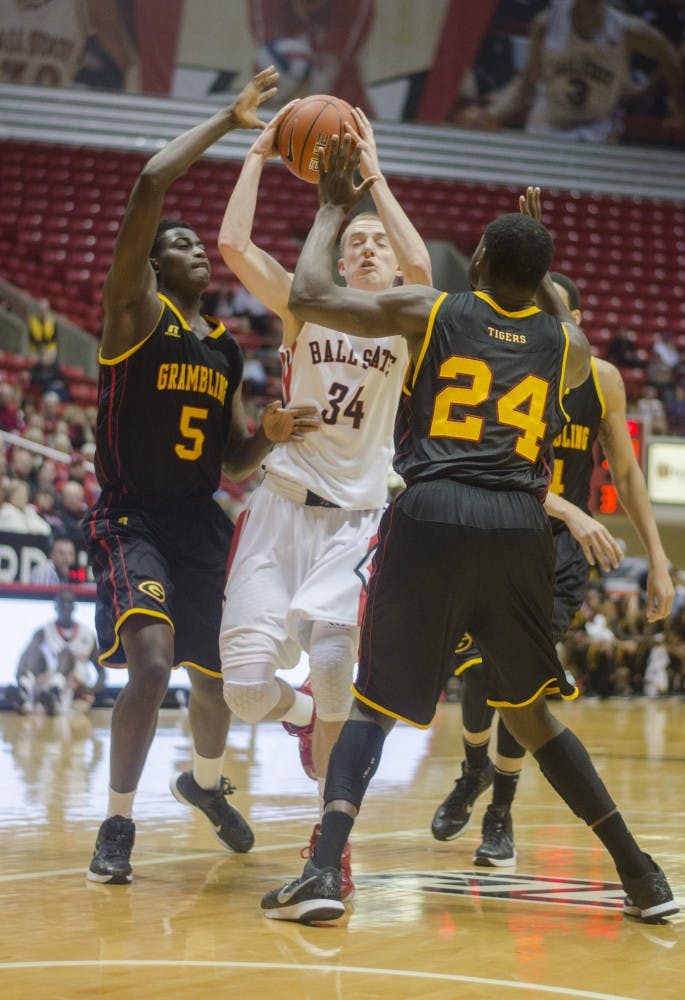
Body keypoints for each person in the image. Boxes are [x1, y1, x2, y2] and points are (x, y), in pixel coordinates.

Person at [259, 152, 678, 926]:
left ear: (478, 261)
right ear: (544, 277)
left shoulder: (435, 311)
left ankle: (322, 871)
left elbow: (310, 293)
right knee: (534, 717)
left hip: (433, 511)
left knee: (372, 706)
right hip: (520, 527)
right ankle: (641, 875)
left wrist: (328, 208)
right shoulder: (571, 350)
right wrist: (533, 253)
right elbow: (538, 308)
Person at [82, 67, 318, 886]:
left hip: (199, 519)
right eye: (174, 244)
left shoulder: (223, 347)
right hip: (132, 519)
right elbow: (151, 181)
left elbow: (231, 461)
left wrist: (271, 435)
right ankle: (117, 823)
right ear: (149, 267)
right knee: (152, 667)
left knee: (224, 677)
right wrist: (229, 118)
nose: (189, 249)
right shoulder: (133, 313)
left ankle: (205, 786)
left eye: (193, 244)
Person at [217, 102, 432, 900]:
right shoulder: (303, 304)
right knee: (244, 692)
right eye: (356, 242)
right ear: (338, 263)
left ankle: (325, 847)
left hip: (356, 520)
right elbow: (234, 245)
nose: (370, 248)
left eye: (379, 241)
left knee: (339, 667)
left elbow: (423, 272)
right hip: (279, 507)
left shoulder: (410, 322)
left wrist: (372, 178)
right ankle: (301, 718)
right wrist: (259, 153)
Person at [431, 266, 675, 867]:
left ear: (577, 324)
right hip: (494, 532)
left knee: (518, 679)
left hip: (561, 554)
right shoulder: (502, 368)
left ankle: (500, 811)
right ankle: (472, 771)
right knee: (478, 672)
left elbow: (626, 473)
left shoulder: (601, 379)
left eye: (553, 309)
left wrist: (661, 561)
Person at [457, 0, 685, 141]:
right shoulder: (546, 24)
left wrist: (670, 101)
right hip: (546, 128)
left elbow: (669, 55)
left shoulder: (627, 30)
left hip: (598, 130)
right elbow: (526, 85)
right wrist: (491, 114)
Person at [6, 589, 103, 717]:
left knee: (66, 654)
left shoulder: (88, 634)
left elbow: (102, 673)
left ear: (74, 607)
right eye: (62, 602)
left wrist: (90, 689)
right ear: (55, 606)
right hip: (44, 687)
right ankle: (24, 691)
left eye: (69, 602)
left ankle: (52, 695)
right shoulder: (43, 631)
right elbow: (25, 659)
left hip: (74, 690)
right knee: (34, 652)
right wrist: (20, 677)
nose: (65, 606)